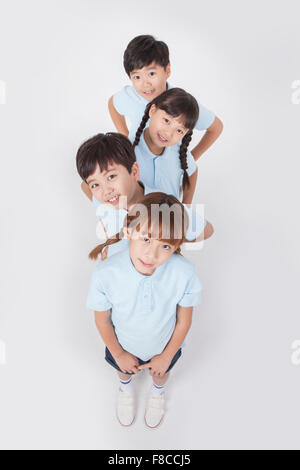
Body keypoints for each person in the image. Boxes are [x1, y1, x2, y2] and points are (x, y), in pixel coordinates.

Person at [86, 192, 202, 428]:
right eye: (146, 239)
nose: (152, 254)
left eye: (166, 245)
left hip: (164, 347)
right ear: (128, 230)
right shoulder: (106, 273)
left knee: (161, 374)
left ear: (176, 246)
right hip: (123, 345)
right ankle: (125, 389)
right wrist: (118, 354)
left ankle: (158, 394)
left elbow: (183, 321)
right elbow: (103, 321)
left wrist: (167, 356)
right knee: (124, 372)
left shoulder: (185, 274)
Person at [76, 132, 214, 261]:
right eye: (95, 185)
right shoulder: (106, 202)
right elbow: (85, 186)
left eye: (111, 177)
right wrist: (110, 244)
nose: (106, 191)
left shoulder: (161, 206)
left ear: (134, 171)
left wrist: (168, 238)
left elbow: (206, 230)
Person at [108, 34, 223, 158]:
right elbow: (112, 103)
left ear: (167, 70)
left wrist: (192, 158)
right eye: (137, 77)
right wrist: (124, 134)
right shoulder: (129, 96)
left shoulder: (181, 103)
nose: (145, 84)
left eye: (151, 73)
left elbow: (216, 127)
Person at [132, 87, 200, 203]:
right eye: (167, 121)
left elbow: (193, 171)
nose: (168, 133)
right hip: (137, 218)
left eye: (179, 131)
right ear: (152, 111)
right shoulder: (127, 148)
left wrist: (186, 206)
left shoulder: (179, 151)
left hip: (171, 218)